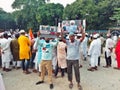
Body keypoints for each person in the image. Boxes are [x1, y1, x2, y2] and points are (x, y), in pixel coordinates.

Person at [61, 25, 85, 90]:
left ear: (74, 37)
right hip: (68, 59)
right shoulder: (68, 42)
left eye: (73, 36)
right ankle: (70, 82)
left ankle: (78, 83)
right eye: (71, 36)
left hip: (75, 59)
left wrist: (82, 31)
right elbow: (62, 39)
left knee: (77, 71)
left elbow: (83, 38)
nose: (72, 37)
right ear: (69, 37)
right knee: (69, 71)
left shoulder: (77, 42)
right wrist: (61, 32)